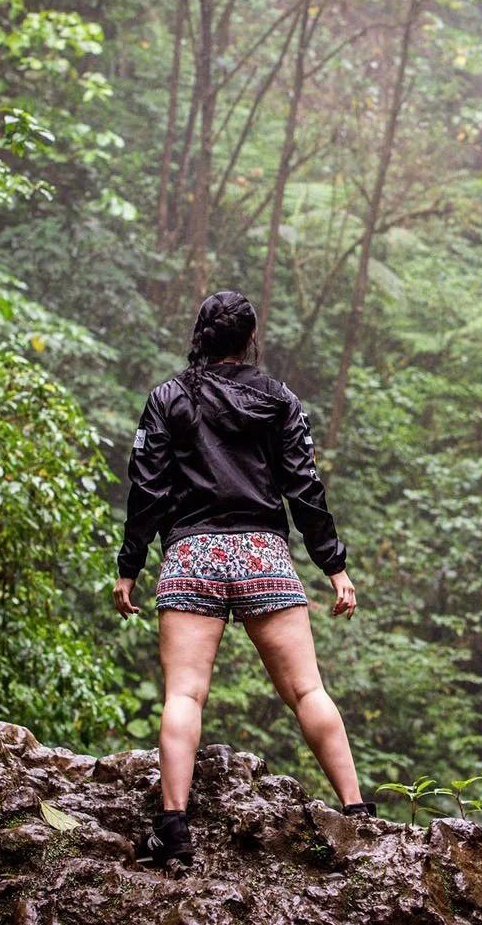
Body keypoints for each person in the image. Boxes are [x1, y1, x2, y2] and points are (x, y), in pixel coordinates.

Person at [111, 289, 375, 870]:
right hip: (262, 552)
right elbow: (303, 487)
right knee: (307, 690)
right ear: (250, 339)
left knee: (184, 694)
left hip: (192, 554)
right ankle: (358, 814)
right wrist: (335, 567)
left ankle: (173, 827)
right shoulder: (280, 399)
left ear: (201, 335)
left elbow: (148, 491)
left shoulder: (167, 398)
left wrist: (129, 566)